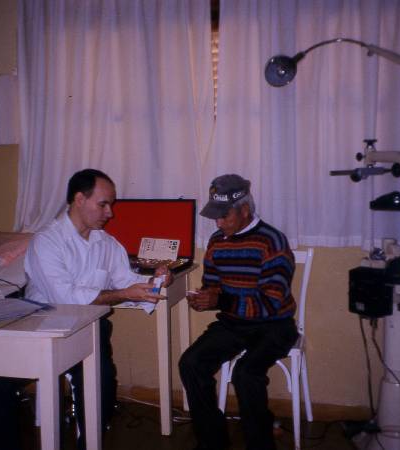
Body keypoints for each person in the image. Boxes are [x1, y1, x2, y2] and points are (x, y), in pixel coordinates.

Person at [24, 168, 172, 448]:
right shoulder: (47, 241)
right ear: (79, 199)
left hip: (90, 327)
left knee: (104, 387)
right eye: (103, 204)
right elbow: (64, 298)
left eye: (110, 205)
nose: (110, 213)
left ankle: (90, 442)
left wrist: (156, 281)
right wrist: (123, 293)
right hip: (48, 327)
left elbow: (126, 282)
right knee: (89, 383)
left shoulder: (106, 243)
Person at [179, 174, 298, 450]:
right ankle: (213, 442)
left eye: (224, 216)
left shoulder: (272, 241)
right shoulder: (217, 241)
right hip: (234, 324)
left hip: (275, 325)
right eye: (215, 217)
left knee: (246, 374)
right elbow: (214, 287)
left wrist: (221, 301)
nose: (218, 223)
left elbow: (270, 303)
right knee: (191, 363)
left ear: (245, 210)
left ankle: (261, 444)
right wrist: (205, 298)